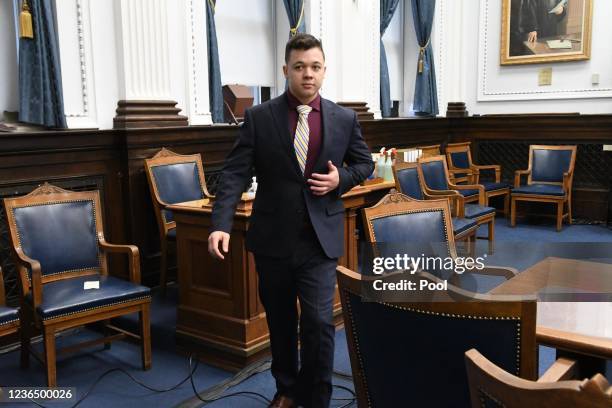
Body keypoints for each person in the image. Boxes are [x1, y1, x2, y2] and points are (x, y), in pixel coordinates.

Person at [207, 34, 374, 408]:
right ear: (286, 70)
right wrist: (220, 224)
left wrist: (340, 180)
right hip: (273, 241)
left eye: (315, 67)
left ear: (324, 71)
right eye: (299, 67)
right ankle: (286, 389)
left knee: (317, 323)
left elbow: (364, 163)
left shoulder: (344, 118)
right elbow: (233, 173)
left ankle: (316, 399)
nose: (307, 75)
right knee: (281, 323)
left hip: (319, 240)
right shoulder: (258, 117)